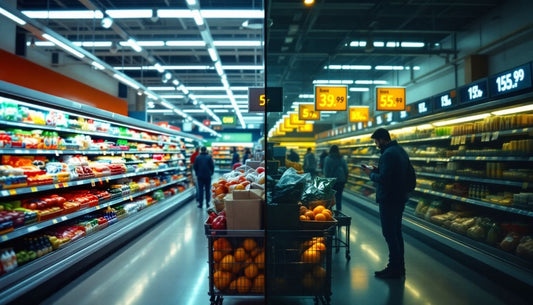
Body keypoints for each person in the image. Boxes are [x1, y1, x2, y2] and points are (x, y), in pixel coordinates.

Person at [362, 128, 411, 279]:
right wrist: (379, 169)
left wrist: (371, 174)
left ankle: (394, 268)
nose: (376, 145)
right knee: (396, 233)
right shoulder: (399, 150)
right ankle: (399, 266)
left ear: (382, 139)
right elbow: (395, 173)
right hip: (399, 197)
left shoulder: (388, 154)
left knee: (389, 233)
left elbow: (384, 179)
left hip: (389, 199)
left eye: (376, 141)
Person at [323, 145, 348, 211]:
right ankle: (338, 212)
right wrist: (345, 179)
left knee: (330, 197)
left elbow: (325, 171)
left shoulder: (327, 159)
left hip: (331, 181)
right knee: (339, 197)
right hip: (340, 180)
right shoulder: (342, 159)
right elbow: (346, 170)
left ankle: (329, 212)